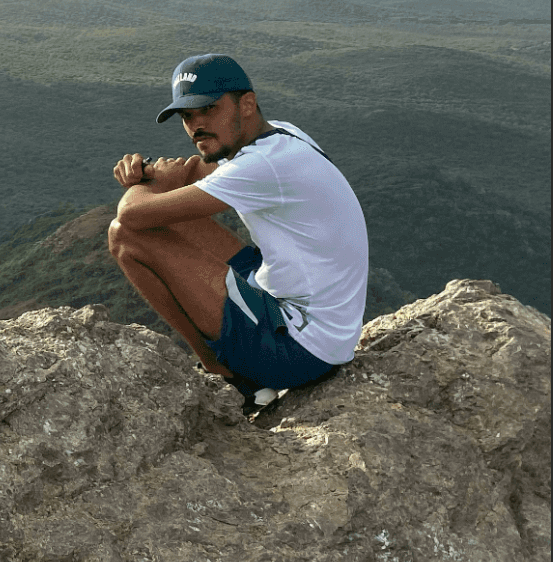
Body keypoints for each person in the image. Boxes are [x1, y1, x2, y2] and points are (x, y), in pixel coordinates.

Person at [106, 53, 369, 423]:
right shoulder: (282, 135)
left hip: (299, 350)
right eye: (186, 116)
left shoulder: (264, 165)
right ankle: (234, 363)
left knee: (126, 236)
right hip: (313, 320)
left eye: (208, 109)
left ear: (246, 104)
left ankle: (225, 371)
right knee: (167, 220)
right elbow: (195, 172)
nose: (196, 125)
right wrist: (157, 180)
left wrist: (143, 182)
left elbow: (131, 215)